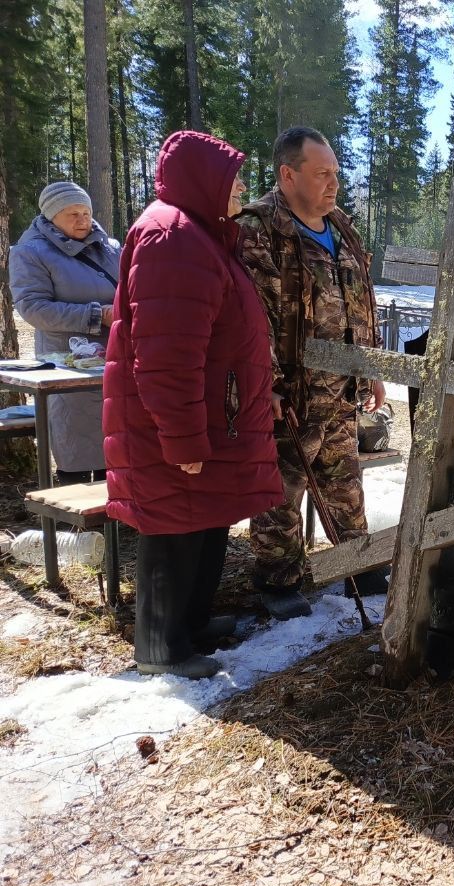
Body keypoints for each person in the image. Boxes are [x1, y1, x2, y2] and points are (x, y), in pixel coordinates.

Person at [103, 131, 282, 679]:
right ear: (204, 179)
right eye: (233, 179)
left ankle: (192, 625)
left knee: (203, 519)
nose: (243, 190)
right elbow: (166, 356)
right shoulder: (172, 237)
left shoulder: (200, 235)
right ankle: (159, 646)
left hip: (211, 417)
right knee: (172, 526)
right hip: (176, 426)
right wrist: (181, 438)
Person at [237, 127, 387, 620]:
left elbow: (360, 301)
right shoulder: (260, 229)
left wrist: (372, 368)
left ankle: (358, 565)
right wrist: (268, 386)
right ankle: (277, 580)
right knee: (282, 488)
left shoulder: (340, 225)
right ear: (287, 174)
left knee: (345, 483)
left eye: (336, 174)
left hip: (341, 390)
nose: (333, 184)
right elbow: (253, 319)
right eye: (321, 174)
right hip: (292, 390)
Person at [10, 181, 120, 484]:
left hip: (116, 355)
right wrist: (100, 315)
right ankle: (77, 521)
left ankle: (117, 516)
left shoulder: (110, 247)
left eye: (86, 212)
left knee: (117, 437)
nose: (83, 220)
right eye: (73, 214)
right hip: (67, 361)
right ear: (51, 216)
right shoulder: (30, 252)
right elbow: (33, 308)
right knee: (76, 439)